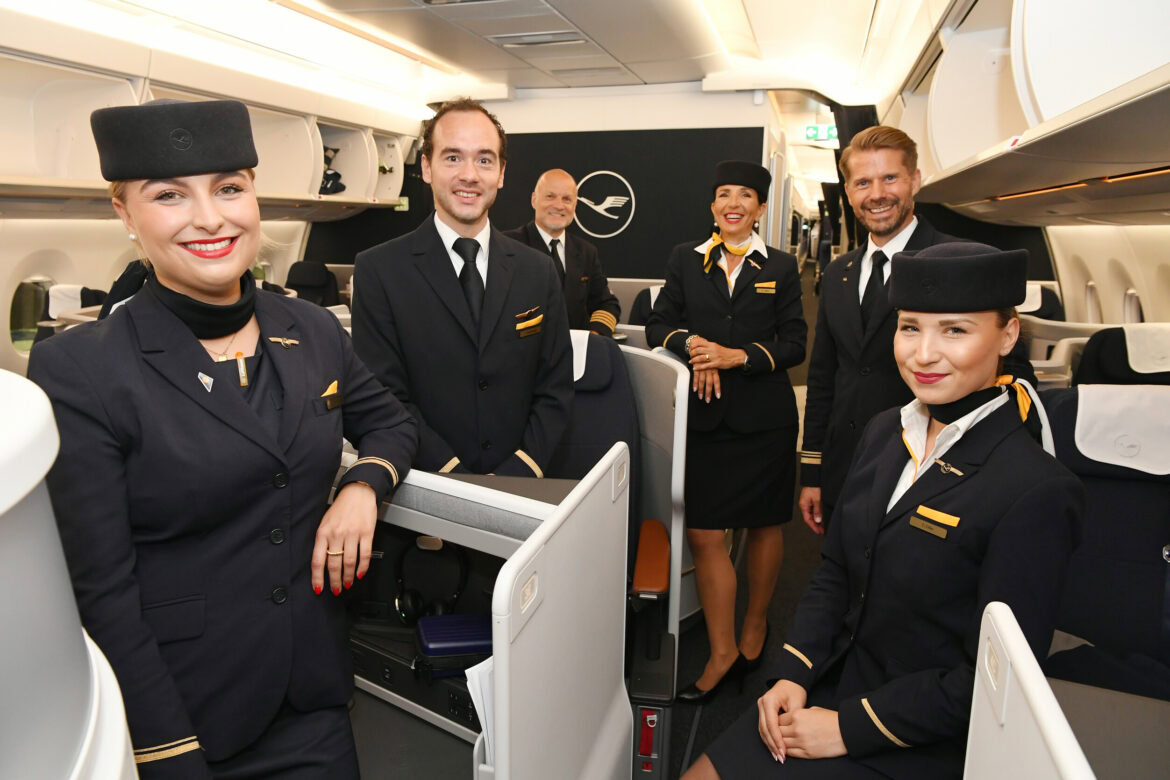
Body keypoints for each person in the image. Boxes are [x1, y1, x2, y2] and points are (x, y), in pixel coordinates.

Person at [29, 99, 418, 779]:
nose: (210, 218)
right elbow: (101, 591)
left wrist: (364, 484)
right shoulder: (83, 367)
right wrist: (165, 749)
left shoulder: (313, 330)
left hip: (313, 695)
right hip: (186, 713)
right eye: (170, 196)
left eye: (230, 188)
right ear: (124, 211)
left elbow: (391, 421)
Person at [684, 242, 1083, 779]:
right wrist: (792, 673)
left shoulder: (1035, 489)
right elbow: (835, 571)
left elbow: (994, 681)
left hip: (921, 733)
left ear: (1007, 335)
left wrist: (848, 728)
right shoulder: (884, 433)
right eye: (910, 327)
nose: (923, 354)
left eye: (956, 331)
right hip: (834, 681)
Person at [797, 126, 1035, 536]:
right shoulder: (838, 273)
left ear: (915, 181)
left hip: (928, 469)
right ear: (850, 192)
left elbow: (1008, 375)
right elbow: (823, 377)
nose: (877, 194)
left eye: (890, 178)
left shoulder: (962, 263)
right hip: (845, 465)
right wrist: (813, 469)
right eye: (863, 182)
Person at [646, 160, 807, 702]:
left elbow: (795, 344)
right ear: (712, 205)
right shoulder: (686, 261)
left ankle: (756, 626)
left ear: (760, 208)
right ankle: (721, 652)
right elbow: (658, 323)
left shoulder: (780, 267)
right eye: (722, 194)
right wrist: (694, 348)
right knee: (705, 533)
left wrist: (737, 356)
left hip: (765, 421)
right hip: (706, 416)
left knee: (764, 527)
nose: (732, 203)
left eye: (744, 195)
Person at [352, 98, 573, 477]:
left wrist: (517, 473)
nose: (470, 174)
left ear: (501, 173)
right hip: (426, 490)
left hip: (521, 490)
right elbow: (384, 396)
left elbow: (556, 389)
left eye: (484, 160)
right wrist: (451, 474)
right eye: (453, 157)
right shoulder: (379, 270)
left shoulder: (539, 271)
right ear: (426, 166)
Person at [504, 168, 622, 337]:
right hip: (524, 354)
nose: (559, 205)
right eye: (550, 196)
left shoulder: (587, 252)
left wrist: (594, 335)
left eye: (567, 199)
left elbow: (606, 303)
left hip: (576, 355)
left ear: (574, 206)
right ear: (534, 200)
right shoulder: (507, 246)